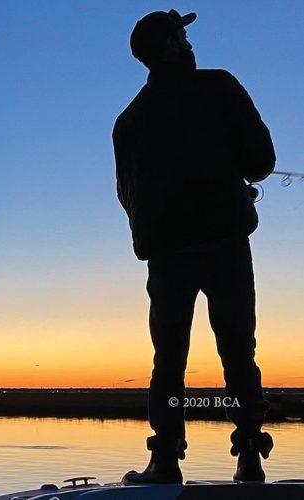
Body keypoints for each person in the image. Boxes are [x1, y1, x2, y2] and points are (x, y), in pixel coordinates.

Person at [112, 10, 276, 483]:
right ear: (168, 46)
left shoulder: (128, 121)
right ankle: (249, 458)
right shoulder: (220, 86)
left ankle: (164, 461)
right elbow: (262, 161)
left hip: (166, 256)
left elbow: (128, 194)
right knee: (239, 354)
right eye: (181, 35)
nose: (188, 41)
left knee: (169, 361)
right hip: (224, 245)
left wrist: (154, 236)